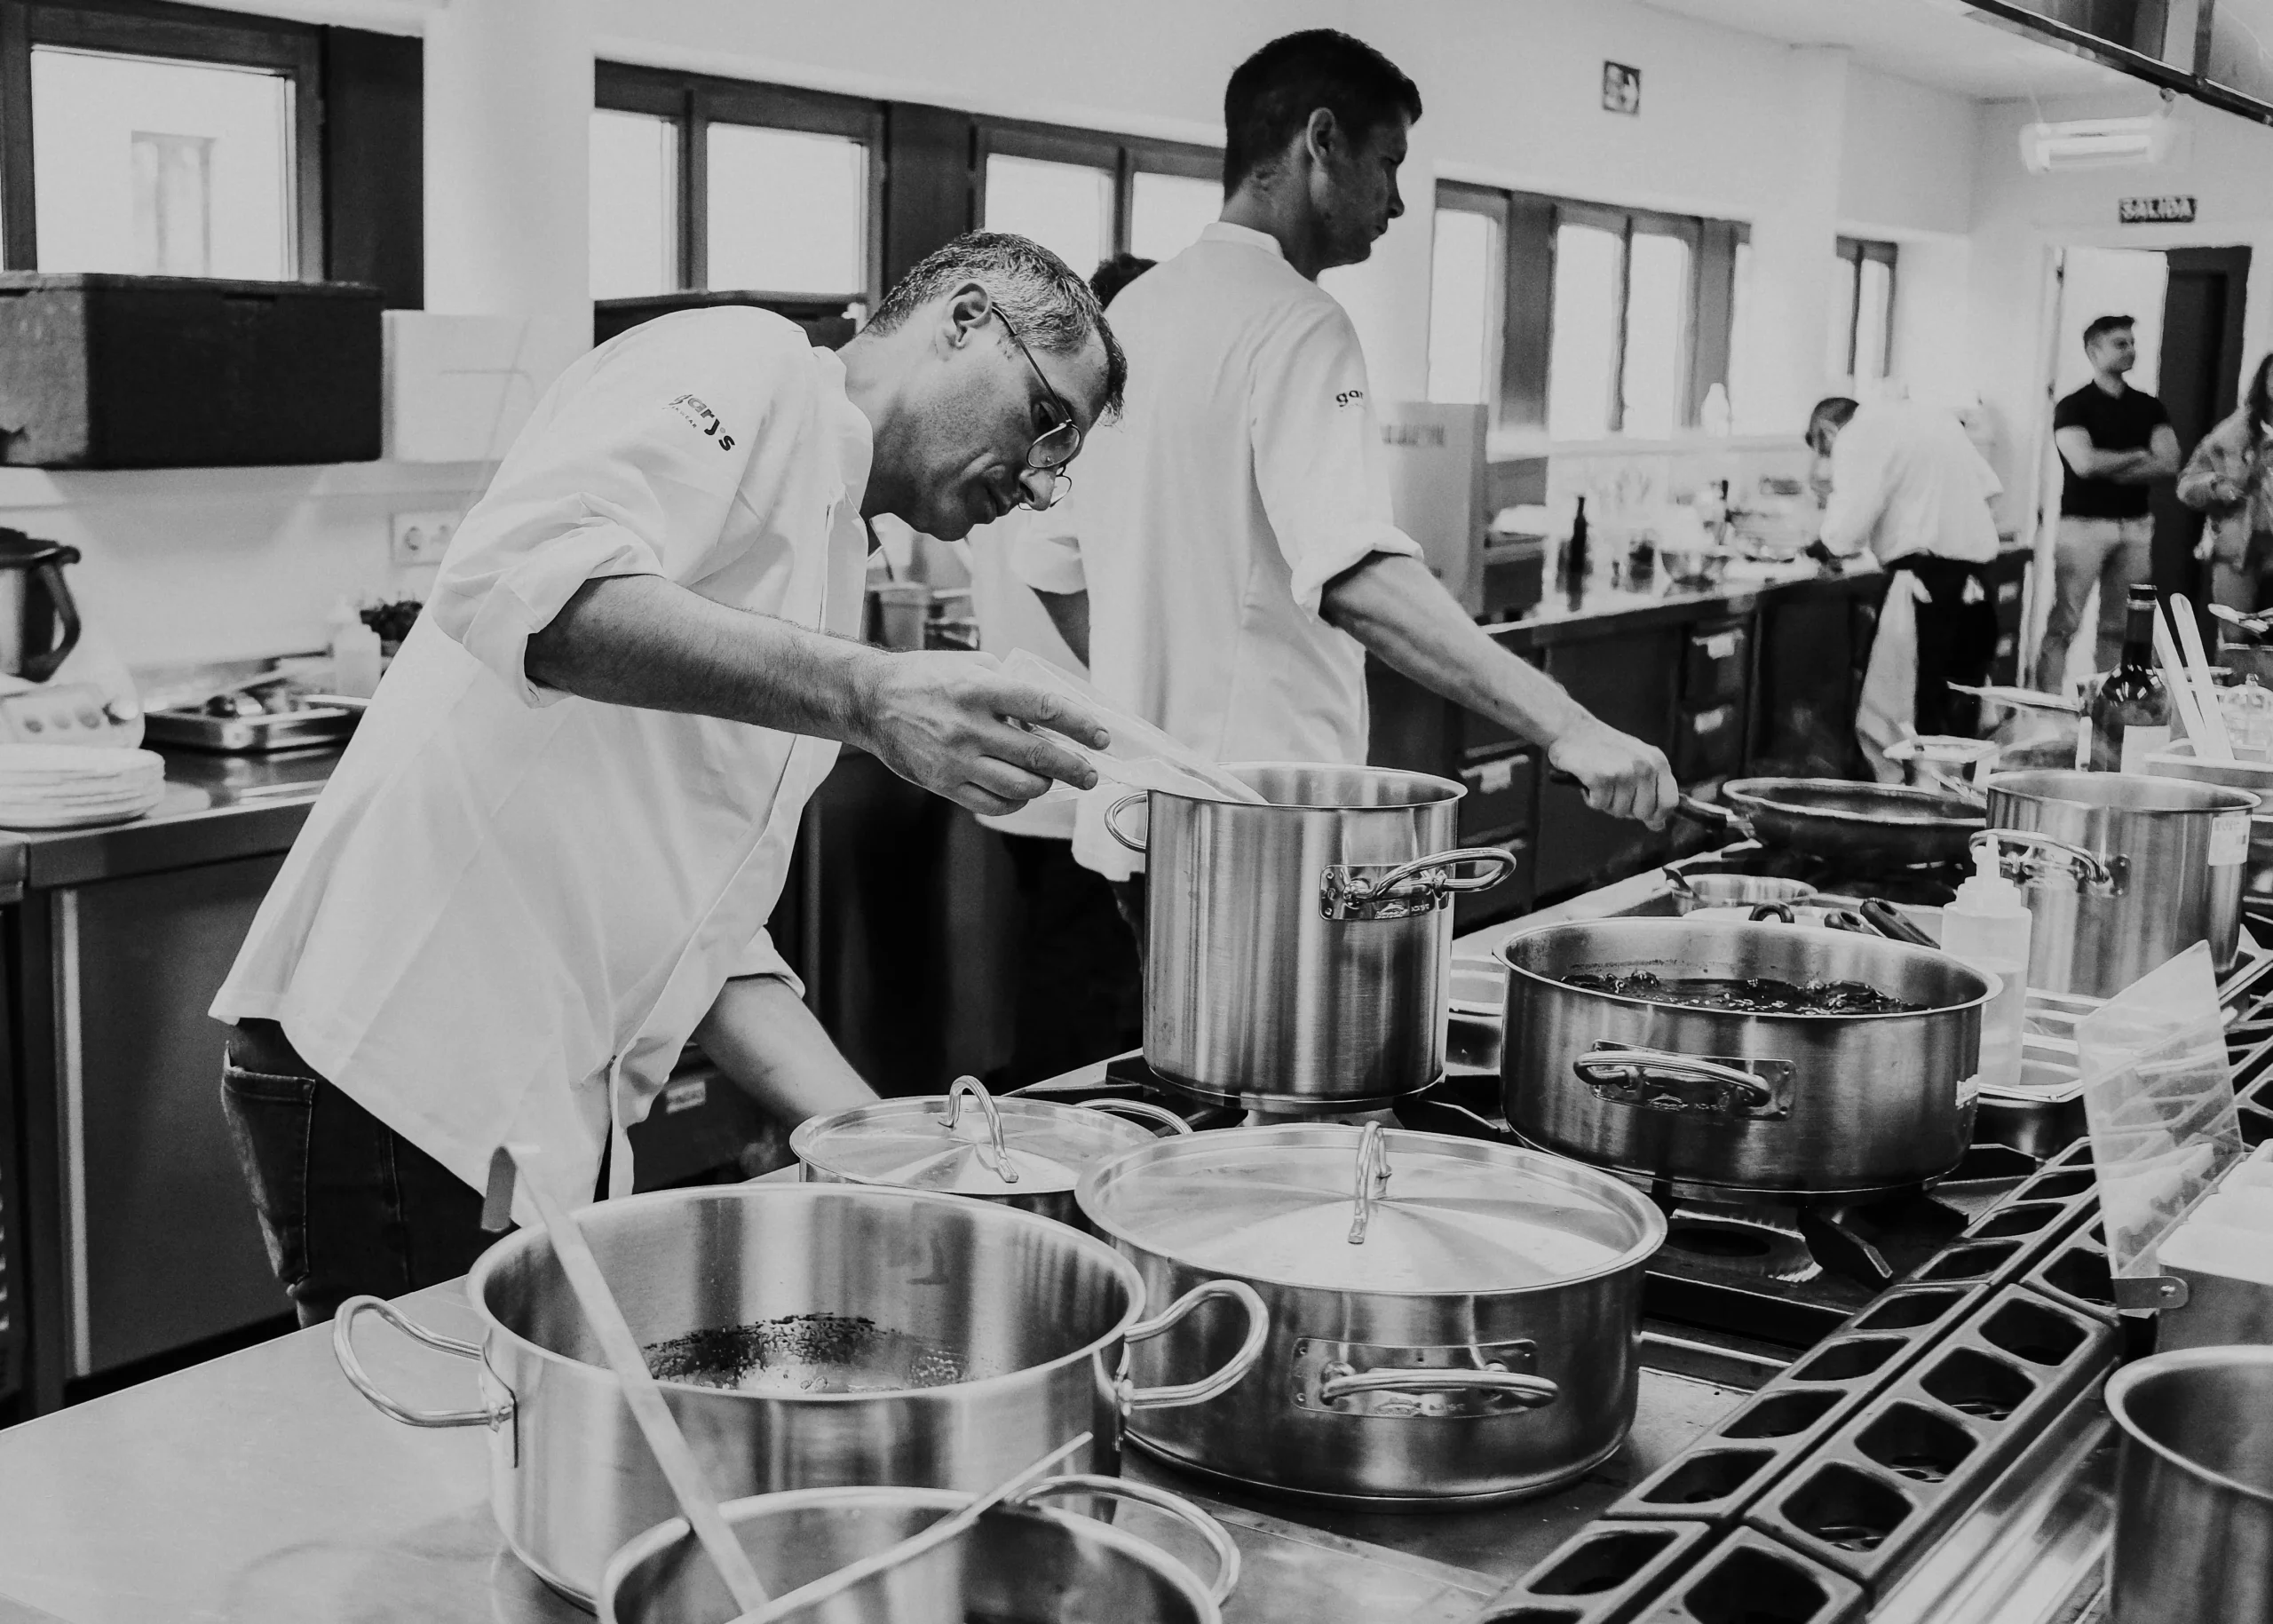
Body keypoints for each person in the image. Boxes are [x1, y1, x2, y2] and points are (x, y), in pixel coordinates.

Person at [210, 232, 1125, 1323]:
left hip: (528, 1114)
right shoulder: (750, 366)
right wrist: (871, 695)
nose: (1035, 482)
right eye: (1044, 421)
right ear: (965, 318)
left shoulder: (831, 559)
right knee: (439, 1458)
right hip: (405, 1067)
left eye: (1060, 462)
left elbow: (709, 938)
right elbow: (523, 584)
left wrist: (913, 1158)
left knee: (511, 1451)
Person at [1014, 29, 1674, 922]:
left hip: (1141, 816)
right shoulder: (1299, 322)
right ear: (1319, 142)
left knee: (1184, 1057)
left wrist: (1149, 700)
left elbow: (1050, 564)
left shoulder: (1135, 311)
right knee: (1276, 1062)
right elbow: (1355, 575)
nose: (1395, 201)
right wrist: (1572, 727)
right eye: (1388, 163)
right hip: (1268, 828)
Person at [969, 252, 1156, 1084]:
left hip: (1027, 758)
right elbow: (1050, 567)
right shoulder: (1075, 447)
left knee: (1058, 970)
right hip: (1069, 765)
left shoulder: (1036, 435)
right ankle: (1056, 1145)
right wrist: (1133, 675)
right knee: (1083, 993)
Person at [1806, 396, 2004, 774]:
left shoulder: (1857, 434)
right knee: (1958, 715)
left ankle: (1910, 815)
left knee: (1900, 724)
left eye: (1824, 451)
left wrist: (1821, 544)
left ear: (1828, 431)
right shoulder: (1935, 416)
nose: (1828, 463)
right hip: (1976, 586)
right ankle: (1957, 816)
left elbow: (1845, 531)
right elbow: (1990, 491)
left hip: (1922, 586)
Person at [2034, 315, 2180, 690]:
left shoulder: (2148, 407)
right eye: (2120, 343)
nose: (2131, 350)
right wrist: (2136, 453)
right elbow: (2084, 464)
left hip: (2135, 526)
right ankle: (2047, 707)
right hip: (2083, 526)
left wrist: (2110, 462)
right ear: (2093, 350)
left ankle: (2107, 706)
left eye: (2132, 342)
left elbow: (2168, 461)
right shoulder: (2074, 406)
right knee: (2065, 622)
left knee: (2120, 625)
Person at [2178, 352, 2273, 614]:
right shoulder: (2233, 433)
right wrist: (2215, 487)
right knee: (2235, 636)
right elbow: (2186, 485)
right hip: (2237, 552)